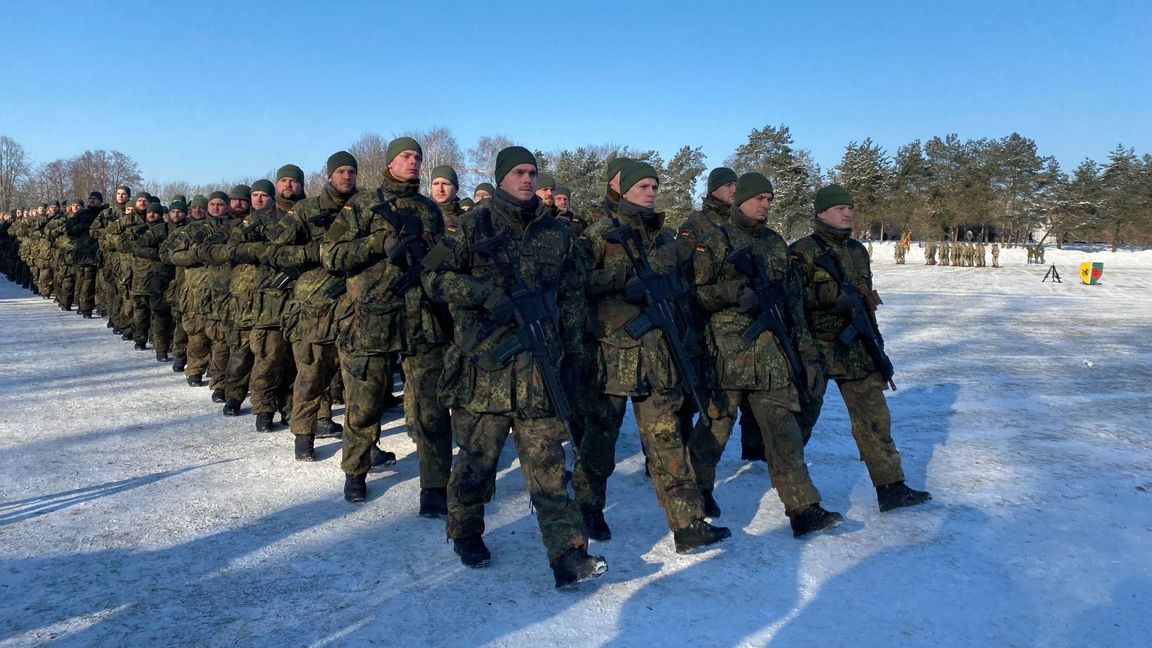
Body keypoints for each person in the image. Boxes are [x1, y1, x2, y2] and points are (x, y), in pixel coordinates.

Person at [422, 146, 606, 588]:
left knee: (548, 465)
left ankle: (568, 555)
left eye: (532, 172)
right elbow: (432, 278)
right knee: (477, 462)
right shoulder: (470, 226)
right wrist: (481, 293)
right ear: (501, 177)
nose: (527, 179)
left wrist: (574, 356)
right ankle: (465, 529)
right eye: (519, 172)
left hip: (539, 369)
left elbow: (573, 297)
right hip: (483, 369)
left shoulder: (556, 234)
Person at [574, 161, 731, 552]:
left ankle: (688, 523)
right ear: (623, 190)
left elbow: (680, 293)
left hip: (658, 358)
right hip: (610, 358)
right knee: (599, 442)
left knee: (667, 443)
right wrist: (619, 281)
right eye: (643, 185)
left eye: (654, 186)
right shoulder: (598, 235)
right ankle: (588, 509)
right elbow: (573, 285)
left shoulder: (664, 241)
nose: (650, 192)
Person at [690, 173, 843, 536]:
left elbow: (794, 307)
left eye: (770, 199)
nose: (765, 204)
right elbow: (693, 295)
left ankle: (803, 507)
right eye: (759, 198)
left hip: (772, 358)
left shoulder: (777, 245)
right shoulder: (714, 242)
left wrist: (806, 355)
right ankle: (697, 495)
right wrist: (730, 291)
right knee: (713, 433)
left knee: (785, 434)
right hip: (726, 357)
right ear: (739, 199)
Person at [789, 184, 932, 512]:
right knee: (801, 419)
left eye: (850, 207)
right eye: (839, 208)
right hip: (818, 348)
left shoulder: (856, 251)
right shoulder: (802, 251)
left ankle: (891, 486)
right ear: (821, 213)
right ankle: (788, 479)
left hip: (857, 349)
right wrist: (824, 301)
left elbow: (864, 301)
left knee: (874, 420)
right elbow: (789, 303)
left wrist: (875, 343)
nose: (848, 212)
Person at [328, 137, 453, 511]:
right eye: (405, 156)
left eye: (417, 157)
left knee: (430, 408)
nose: (413, 162)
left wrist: (434, 259)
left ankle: (434, 485)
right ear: (389, 163)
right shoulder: (363, 205)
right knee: (364, 404)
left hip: (422, 319)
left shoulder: (430, 209)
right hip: (371, 319)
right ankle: (356, 471)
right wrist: (377, 245)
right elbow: (331, 255)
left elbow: (444, 255)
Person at [264, 152, 357, 461]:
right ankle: (303, 435)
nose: (347, 176)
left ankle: (363, 446)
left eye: (351, 172)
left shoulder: (366, 208)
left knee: (360, 379)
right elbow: (276, 253)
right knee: (311, 373)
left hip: (357, 303)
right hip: (315, 305)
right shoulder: (307, 210)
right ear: (329, 175)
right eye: (341, 171)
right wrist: (317, 252)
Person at [678, 166, 765, 463]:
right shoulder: (695, 225)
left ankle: (754, 450)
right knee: (697, 396)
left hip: (744, 323)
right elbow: (688, 277)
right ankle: (680, 455)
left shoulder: (744, 222)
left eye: (736, 185)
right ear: (713, 189)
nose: (733, 190)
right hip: (702, 322)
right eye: (727, 185)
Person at [248, 165, 306, 432]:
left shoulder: (311, 211)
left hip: (303, 295)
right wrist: (269, 252)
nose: (289, 185)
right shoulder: (261, 218)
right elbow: (236, 247)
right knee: (269, 356)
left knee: (301, 360)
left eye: (293, 181)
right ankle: (263, 408)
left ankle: (292, 408)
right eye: (283, 180)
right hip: (270, 296)